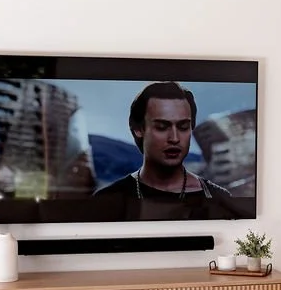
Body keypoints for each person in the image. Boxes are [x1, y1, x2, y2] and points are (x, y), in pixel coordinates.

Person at [92, 81, 241, 221]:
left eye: (183, 127)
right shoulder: (107, 201)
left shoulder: (218, 198)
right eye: (162, 127)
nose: (174, 138)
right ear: (138, 129)